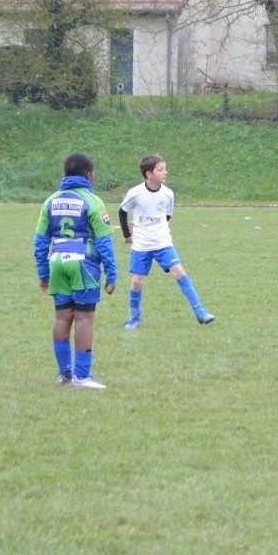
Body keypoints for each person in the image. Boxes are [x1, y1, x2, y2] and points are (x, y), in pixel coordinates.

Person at [35, 152, 118, 389]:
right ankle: (82, 376)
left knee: (62, 317)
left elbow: (40, 241)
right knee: (84, 318)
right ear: (88, 175)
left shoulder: (50, 201)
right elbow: (104, 241)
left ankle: (64, 375)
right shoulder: (93, 201)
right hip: (83, 263)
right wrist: (111, 274)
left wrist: (43, 273)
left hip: (57, 261)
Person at [118, 154, 215, 327]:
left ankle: (200, 313)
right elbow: (122, 211)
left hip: (163, 243)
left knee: (179, 271)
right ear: (149, 174)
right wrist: (127, 235)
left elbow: (167, 215)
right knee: (137, 281)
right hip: (141, 245)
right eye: (160, 169)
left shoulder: (168, 194)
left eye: (165, 169)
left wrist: (157, 228)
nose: (165, 172)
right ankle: (134, 319)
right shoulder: (136, 193)